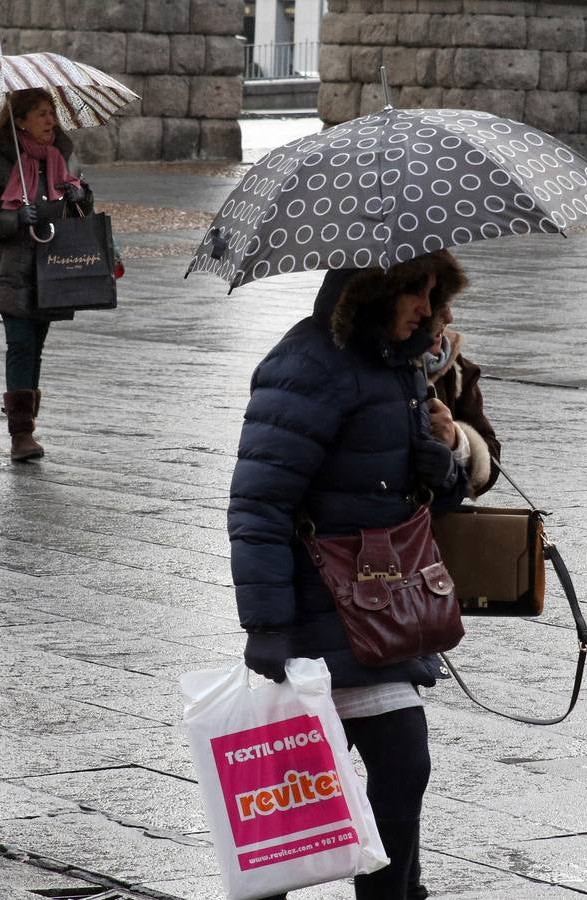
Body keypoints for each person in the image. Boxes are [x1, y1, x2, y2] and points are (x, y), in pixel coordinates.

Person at [227, 250, 476, 900]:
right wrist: (269, 627)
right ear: (373, 291)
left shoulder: (400, 370)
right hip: (317, 614)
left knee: (399, 770)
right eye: (413, 293)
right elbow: (259, 506)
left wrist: (439, 466)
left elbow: (409, 499)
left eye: (432, 293)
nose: (426, 309)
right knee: (290, 803)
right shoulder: (307, 366)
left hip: (375, 610)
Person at [0, 88, 93, 461]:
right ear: (20, 120)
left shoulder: (61, 157)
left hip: (52, 267)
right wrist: (14, 219)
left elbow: (83, 204)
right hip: (11, 270)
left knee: (35, 348)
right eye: (41, 114)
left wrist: (81, 197)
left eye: (52, 113)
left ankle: (26, 429)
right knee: (20, 344)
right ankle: (21, 435)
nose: (51, 121)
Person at [423, 300, 501, 496]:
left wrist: (458, 442)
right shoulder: (356, 374)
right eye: (434, 298)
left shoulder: (456, 372)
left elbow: (491, 464)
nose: (449, 317)